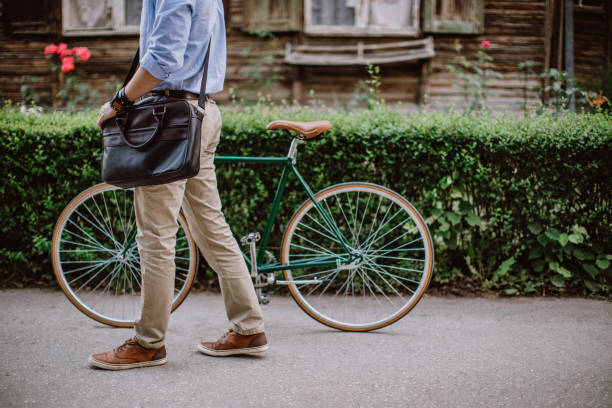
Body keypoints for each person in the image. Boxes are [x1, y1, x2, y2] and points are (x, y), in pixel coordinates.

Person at [89, 0, 266, 370]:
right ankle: (249, 328)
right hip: (201, 112)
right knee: (211, 227)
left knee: (155, 235)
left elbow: (163, 59)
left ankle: (148, 342)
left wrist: (119, 102)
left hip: (170, 118)